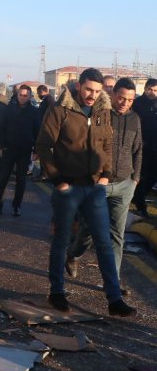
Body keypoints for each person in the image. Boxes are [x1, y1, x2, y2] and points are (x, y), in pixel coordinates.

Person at [35, 67, 135, 317]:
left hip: (94, 188)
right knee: (61, 241)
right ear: (78, 86)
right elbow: (44, 145)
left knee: (103, 241)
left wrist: (106, 175)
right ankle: (56, 292)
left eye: (97, 91)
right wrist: (56, 179)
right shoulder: (60, 110)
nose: (92, 95)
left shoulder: (103, 112)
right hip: (67, 187)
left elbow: (107, 144)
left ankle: (114, 299)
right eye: (89, 89)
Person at [66, 77, 142, 289]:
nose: (125, 102)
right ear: (113, 95)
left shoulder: (136, 118)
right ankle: (73, 254)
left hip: (125, 185)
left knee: (117, 235)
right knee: (89, 230)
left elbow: (138, 149)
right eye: (121, 98)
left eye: (130, 99)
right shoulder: (100, 115)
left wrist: (135, 178)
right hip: (98, 184)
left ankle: (112, 283)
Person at [0, 85, 40, 216]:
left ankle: (16, 206)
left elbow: (38, 132)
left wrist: (36, 150)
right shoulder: (9, 109)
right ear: (17, 95)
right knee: (3, 178)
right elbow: (2, 128)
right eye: (21, 95)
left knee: (21, 179)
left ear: (30, 96)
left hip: (25, 150)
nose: (22, 98)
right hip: (9, 148)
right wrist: (1, 146)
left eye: (25, 96)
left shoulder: (34, 112)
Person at [131, 78, 157, 218]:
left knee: (153, 176)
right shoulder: (138, 104)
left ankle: (137, 197)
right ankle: (141, 206)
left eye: (155, 90)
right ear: (145, 89)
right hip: (142, 146)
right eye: (150, 89)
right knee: (142, 176)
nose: (152, 93)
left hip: (155, 146)